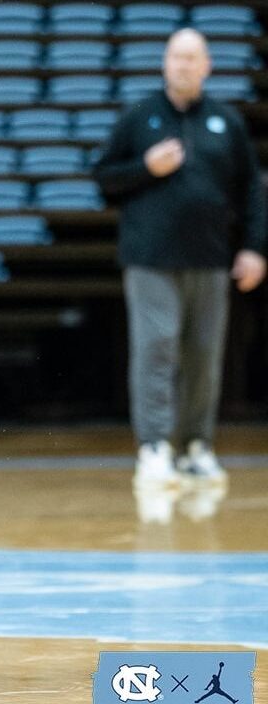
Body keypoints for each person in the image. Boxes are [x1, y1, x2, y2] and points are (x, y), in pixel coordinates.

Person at [92, 28, 266, 492]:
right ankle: (153, 447)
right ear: (165, 64)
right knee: (157, 347)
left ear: (207, 65)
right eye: (176, 57)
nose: (183, 65)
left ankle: (196, 447)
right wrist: (146, 169)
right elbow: (104, 179)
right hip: (150, 260)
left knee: (204, 356)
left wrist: (254, 248)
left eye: (192, 58)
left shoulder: (226, 123)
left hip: (210, 260)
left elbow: (252, 192)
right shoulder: (140, 117)